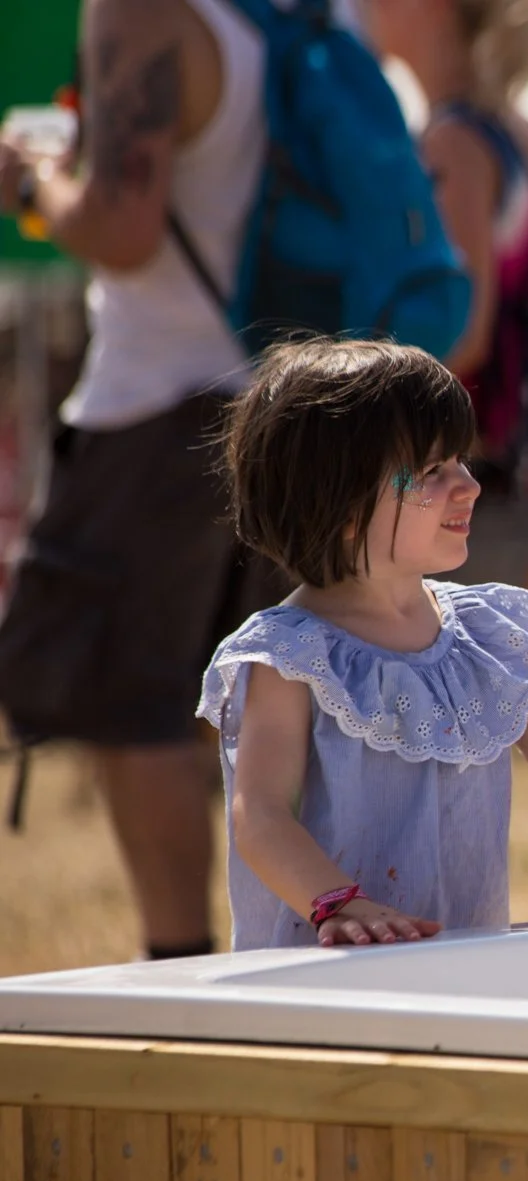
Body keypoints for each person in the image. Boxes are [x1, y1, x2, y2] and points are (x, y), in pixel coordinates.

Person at [197, 339, 528, 949]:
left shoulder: (482, 635)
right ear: (340, 502)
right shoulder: (289, 658)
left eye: (462, 460)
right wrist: (337, 905)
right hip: (326, 978)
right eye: (432, 472)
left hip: (462, 970)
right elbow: (261, 816)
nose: (470, 485)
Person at [0, 0, 290, 960]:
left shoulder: (143, 11)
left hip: (157, 403)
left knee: (138, 710)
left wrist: (37, 182)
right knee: (252, 708)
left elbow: (123, 229)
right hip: (267, 393)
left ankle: (185, 967)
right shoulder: (275, 12)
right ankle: (265, 960)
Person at [357, 0, 528, 910]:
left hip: (483, 478)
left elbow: (460, 333)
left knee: (405, 704)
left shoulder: (452, 145)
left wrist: (360, 363)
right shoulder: (521, 135)